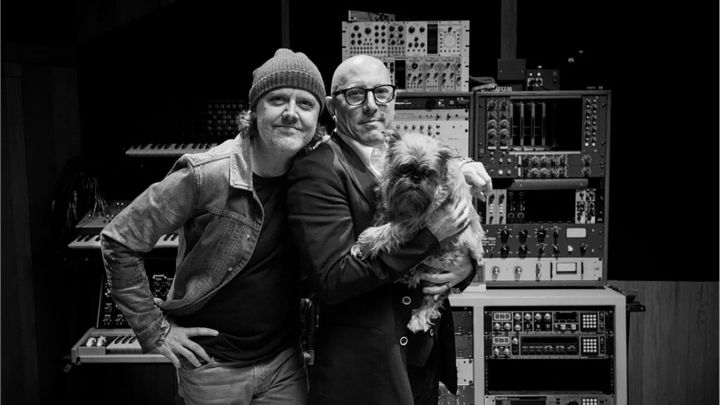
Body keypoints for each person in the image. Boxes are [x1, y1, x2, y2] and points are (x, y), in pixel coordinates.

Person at [100, 48, 326, 405]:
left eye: (305, 103)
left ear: (317, 116)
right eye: (278, 99)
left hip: (285, 362)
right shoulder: (206, 173)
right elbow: (120, 240)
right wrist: (155, 330)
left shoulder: (314, 175)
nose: (291, 113)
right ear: (255, 110)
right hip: (213, 367)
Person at [286, 54, 492, 405]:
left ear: (394, 99)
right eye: (356, 95)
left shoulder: (403, 151)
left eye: (381, 92)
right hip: (367, 371)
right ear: (333, 107)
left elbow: (454, 231)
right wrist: (429, 237)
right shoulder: (317, 170)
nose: (371, 105)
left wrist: (464, 269)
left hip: (421, 360)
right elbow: (333, 280)